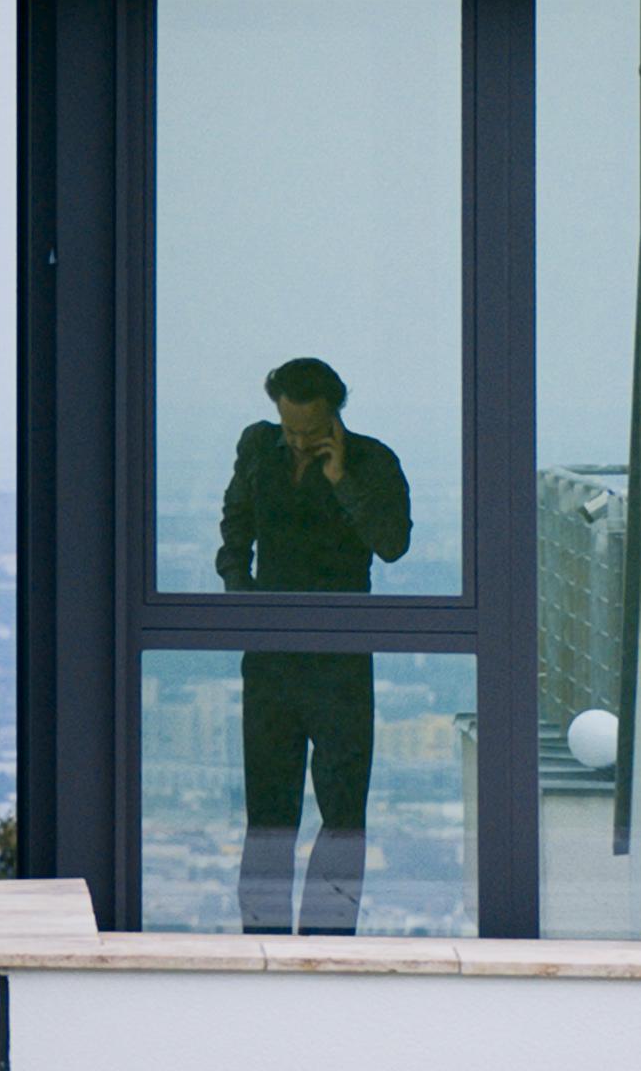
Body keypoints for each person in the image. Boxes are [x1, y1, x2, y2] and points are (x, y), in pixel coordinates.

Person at [215, 356, 413, 934]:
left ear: (336, 415)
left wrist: (340, 480)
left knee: (343, 812)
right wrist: (242, 597)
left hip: (340, 659)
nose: (299, 442)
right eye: (290, 430)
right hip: (272, 655)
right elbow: (234, 527)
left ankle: (330, 943)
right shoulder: (258, 447)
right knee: (269, 815)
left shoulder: (373, 460)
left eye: (311, 432)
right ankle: (263, 943)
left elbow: (392, 544)